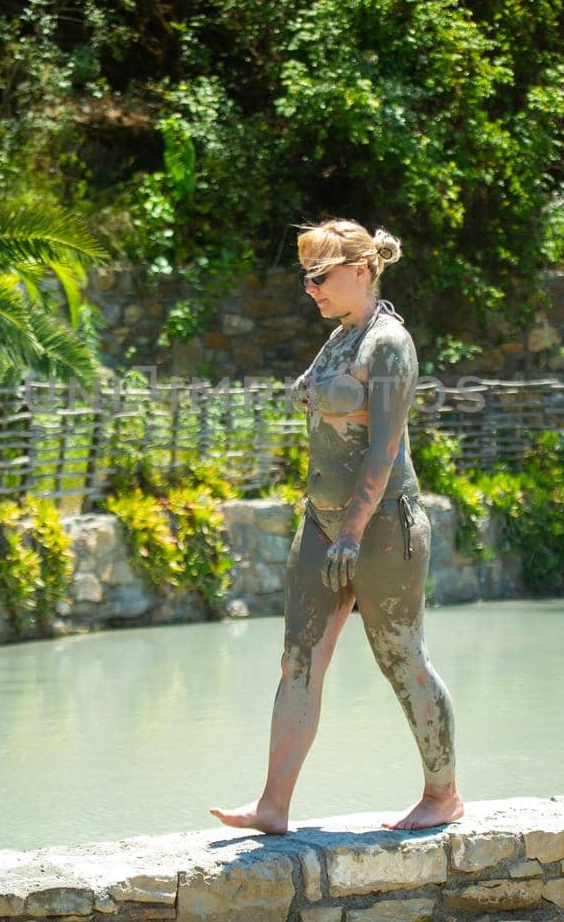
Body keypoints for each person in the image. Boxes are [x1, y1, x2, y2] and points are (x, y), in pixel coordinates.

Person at [209, 219, 462, 834]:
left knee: (401, 657)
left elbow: (382, 449)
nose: (310, 290)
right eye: (306, 279)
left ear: (361, 270)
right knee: (297, 660)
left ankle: (442, 795)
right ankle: (273, 806)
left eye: (320, 277)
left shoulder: (389, 343)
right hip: (322, 523)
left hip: (379, 528)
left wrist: (352, 531)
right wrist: (330, 527)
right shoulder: (341, 338)